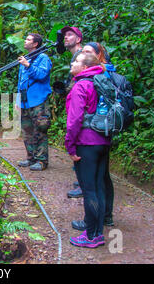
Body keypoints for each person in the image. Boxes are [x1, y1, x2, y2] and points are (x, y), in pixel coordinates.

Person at [66, 52, 111, 248]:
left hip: (87, 143)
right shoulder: (101, 82)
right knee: (99, 188)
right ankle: (97, 232)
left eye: (76, 61)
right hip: (103, 141)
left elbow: (74, 120)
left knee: (89, 190)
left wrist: (70, 145)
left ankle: (91, 236)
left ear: (84, 67)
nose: (72, 62)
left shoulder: (81, 85)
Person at [16, 33, 53, 171]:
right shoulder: (25, 58)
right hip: (25, 101)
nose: (25, 41)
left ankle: (42, 160)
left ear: (35, 44)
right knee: (27, 130)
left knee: (40, 129)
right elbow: (21, 82)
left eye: (28, 39)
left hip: (38, 100)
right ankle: (30, 157)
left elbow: (42, 75)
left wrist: (28, 65)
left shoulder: (43, 58)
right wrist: (18, 100)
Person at [60, 26, 85, 199]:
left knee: (80, 142)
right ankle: (82, 181)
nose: (65, 38)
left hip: (81, 105)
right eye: (65, 35)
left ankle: (85, 184)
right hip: (76, 103)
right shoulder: (75, 57)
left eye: (70, 35)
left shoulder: (82, 56)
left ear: (78, 39)